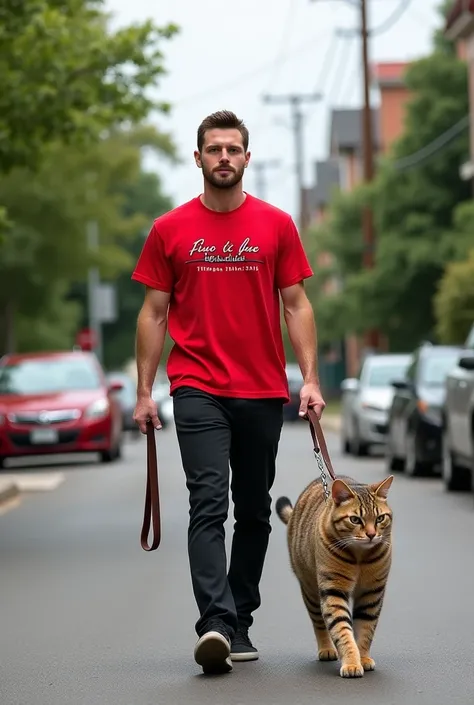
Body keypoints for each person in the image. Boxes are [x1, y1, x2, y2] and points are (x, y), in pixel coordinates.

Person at [131, 110, 325, 675]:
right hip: (197, 387)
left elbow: (297, 305)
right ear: (198, 159)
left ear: (246, 157)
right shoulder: (169, 229)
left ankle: (240, 617)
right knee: (208, 502)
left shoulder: (276, 225)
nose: (223, 157)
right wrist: (145, 392)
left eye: (232, 149)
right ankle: (215, 622)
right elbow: (152, 313)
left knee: (256, 512)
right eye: (213, 149)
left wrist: (310, 378)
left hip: (263, 388)